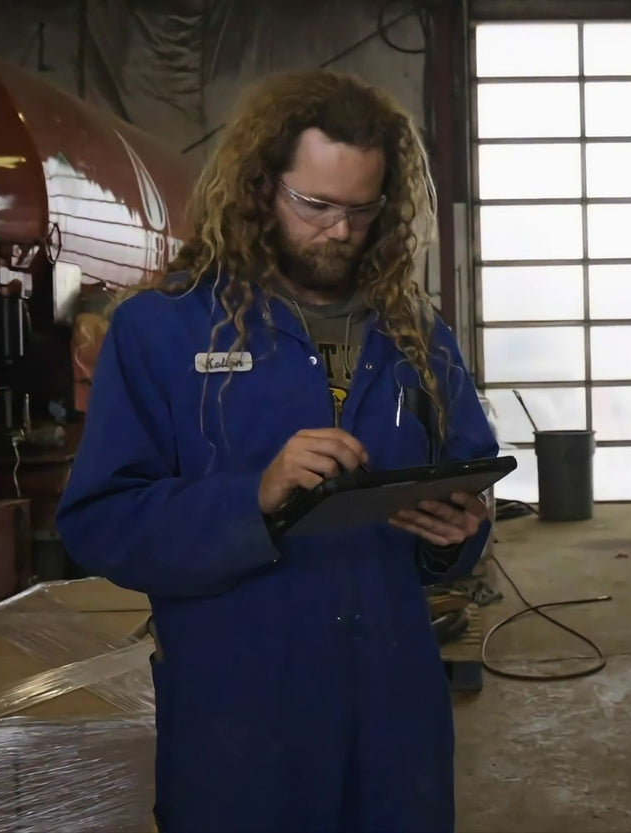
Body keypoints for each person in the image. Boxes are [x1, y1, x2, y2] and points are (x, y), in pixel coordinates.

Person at [55, 69, 499, 832]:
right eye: (315, 205)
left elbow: (467, 483)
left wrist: (456, 536)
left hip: (391, 709)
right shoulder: (162, 330)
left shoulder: (416, 336)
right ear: (261, 188)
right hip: (239, 716)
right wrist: (250, 497)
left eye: (362, 211)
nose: (339, 230)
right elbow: (99, 520)